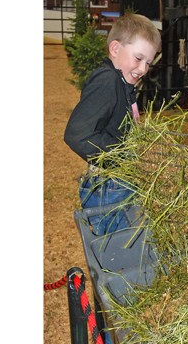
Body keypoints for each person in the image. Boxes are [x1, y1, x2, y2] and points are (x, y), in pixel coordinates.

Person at [64, 13, 162, 235]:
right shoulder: (107, 81)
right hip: (107, 186)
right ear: (115, 49)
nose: (144, 68)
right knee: (117, 250)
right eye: (138, 58)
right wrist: (118, 156)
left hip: (120, 180)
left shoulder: (122, 81)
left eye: (148, 62)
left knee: (127, 243)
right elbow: (76, 134)